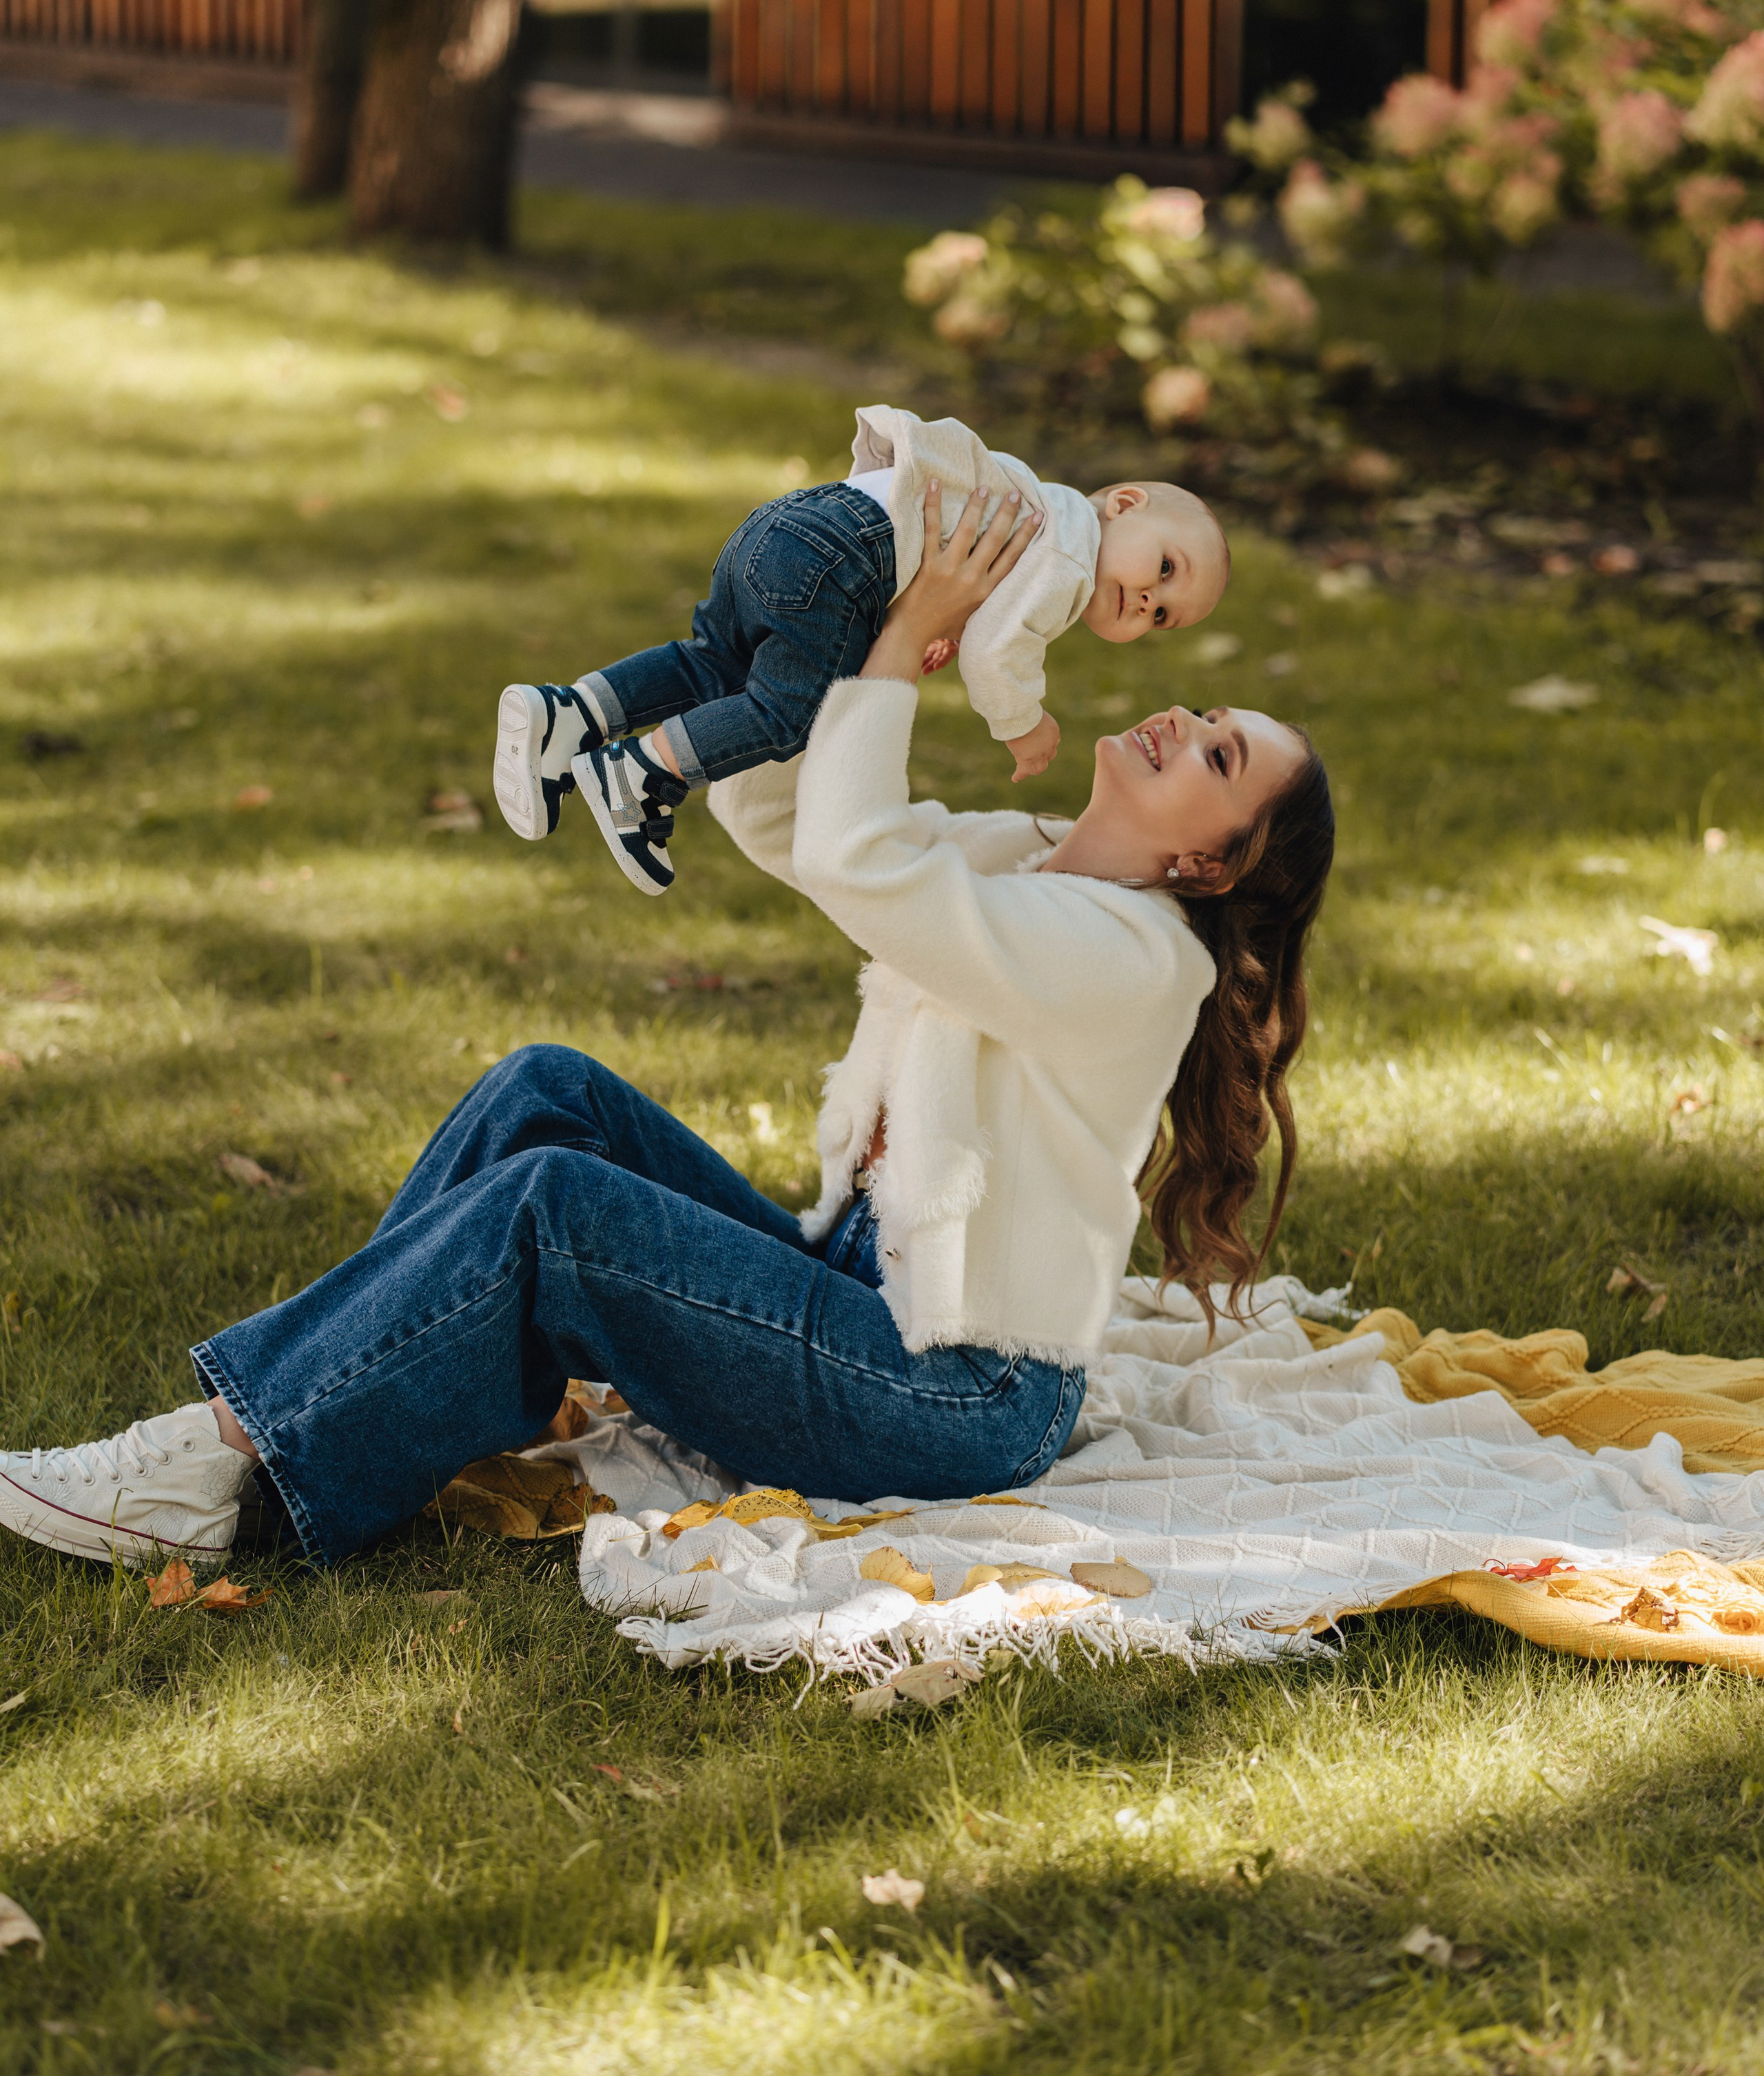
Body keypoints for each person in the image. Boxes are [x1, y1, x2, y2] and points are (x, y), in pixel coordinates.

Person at [0, 483, 1330, 1574]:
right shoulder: (1030, 856)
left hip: (956, 1394)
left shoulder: (1136, 961)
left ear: (1208, 866)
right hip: (864, 1291)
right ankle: (318, 1412)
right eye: (1211, 717)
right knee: (545, 1093)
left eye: (1219, 757)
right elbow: (795, 829)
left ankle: (229, 1457)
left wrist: (901, 650)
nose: (1184, 720)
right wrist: (817, 636)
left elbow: (867, 862)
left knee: (556, 1209)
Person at [491, 402, 1230, 895]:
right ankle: (642, 774)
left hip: (796, 522)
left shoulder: (1041, 502)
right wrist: (1023, 724)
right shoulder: (1071, 561)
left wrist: (927, 626)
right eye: (1166, 569)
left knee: (712, 661)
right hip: (847, 562)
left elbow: (950, 550)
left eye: (1163, 617)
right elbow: (997, 655)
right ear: (1124, 504)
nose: (1148, 601)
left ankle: (572, 713)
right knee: (788, 712)